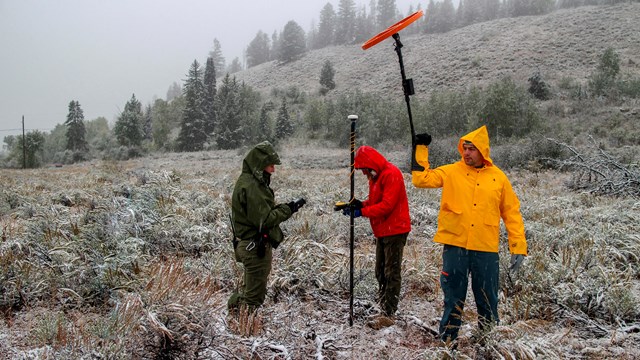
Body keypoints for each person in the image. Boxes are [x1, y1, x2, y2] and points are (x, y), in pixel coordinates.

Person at [410, 125, 527, 346]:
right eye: (465, 148)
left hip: (486, 248)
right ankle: (448, 342)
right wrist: (420, 149)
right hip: (456, 246)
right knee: (453, 298)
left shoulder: (498, 178)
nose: (466, 153)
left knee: (487, 299)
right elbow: (421, 180)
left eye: (472, 149)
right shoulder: (452, 171)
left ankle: (489, 342)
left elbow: (512, 213)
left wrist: (518, 246)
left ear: (482, 150)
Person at [338, 145, 411, 330]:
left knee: (391, 273)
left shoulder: (391, 174)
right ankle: (383, 305)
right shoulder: (376, 176)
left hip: (395, 230)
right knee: (380, 271)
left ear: (370, 165)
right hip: (383, 230)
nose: (363, 174)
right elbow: (376, 201)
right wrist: (360, 204)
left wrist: (361, 212)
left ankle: (388, 314)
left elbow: (386, 205)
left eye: (363, 169)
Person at [228, 141, 305, 313]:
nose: (273, 169)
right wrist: (288, 209)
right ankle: (242, 330)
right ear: (259, 164)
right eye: (270, 165)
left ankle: (234, 319)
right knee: (253, 299)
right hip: (254, 247)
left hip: (249, 245)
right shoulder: (252, 186)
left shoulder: (249, 182)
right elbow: (265, 220)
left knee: (249, 291)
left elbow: (261, 215)